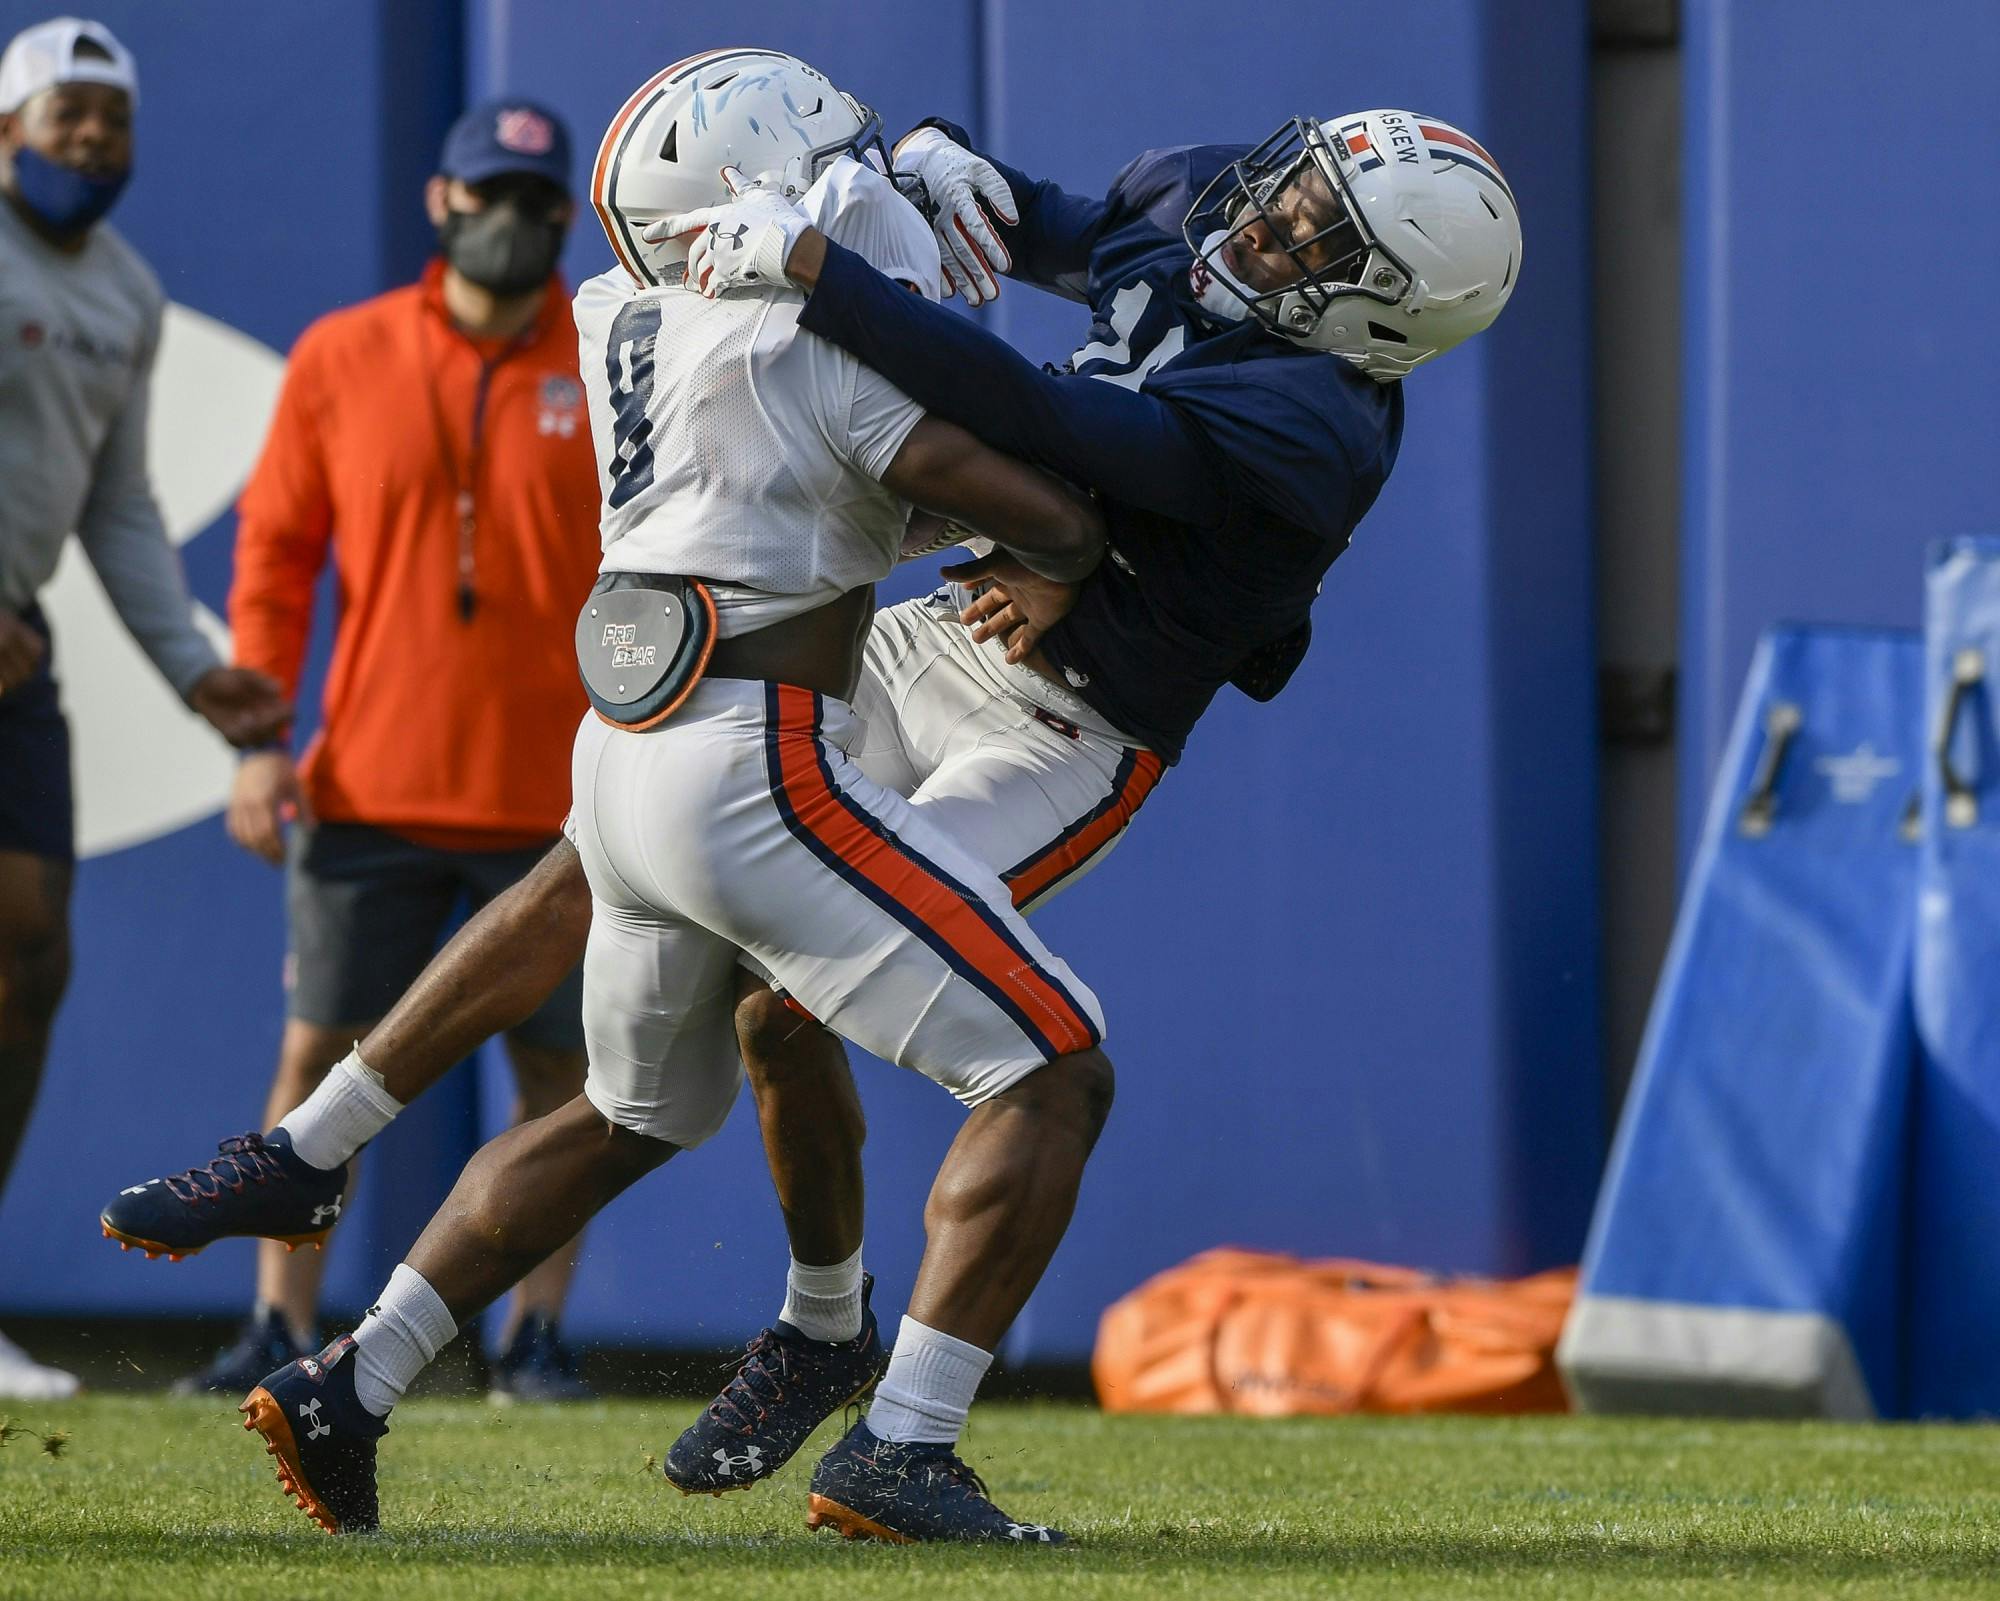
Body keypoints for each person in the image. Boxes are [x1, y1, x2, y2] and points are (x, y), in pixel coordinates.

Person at [107, 90, 1520, 1538]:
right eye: (1291, 191)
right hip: (921, 639)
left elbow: (1045, 423)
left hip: (1063, 723)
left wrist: (838, 264)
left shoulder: (1310, 423)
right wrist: (953, 163)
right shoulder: (1184, 207)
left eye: (1312, 239)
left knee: (758, 993)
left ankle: (794, 1336)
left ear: (1383, 323)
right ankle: (828, 1380)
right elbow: (1061, 244)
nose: (1266, 220)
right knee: (819, 1015)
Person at [220, 47, 1118, 1544]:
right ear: (754, 201)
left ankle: (349, 1370)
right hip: (752, 754)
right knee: (1052, 1066)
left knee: (631, 1102)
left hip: (618, 758)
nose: (868, 185)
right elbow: (1045, 494)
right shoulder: (794, 348)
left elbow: (822, 464)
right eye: (839, 167)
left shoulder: (614, 313)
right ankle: (901, 1438)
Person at [101, 97, 606, 1403]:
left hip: (560, 796)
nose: (512, 217)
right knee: (324, 1060)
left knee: (567, 1075)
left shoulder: (611, 359)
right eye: (487, 190)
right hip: (371, 778)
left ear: (569, 212)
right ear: (439, 200)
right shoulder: (345, 353)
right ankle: (277, 1325)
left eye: (538, 197)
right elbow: (273, 555)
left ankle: (531, 1339)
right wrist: (260, 739)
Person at [0, 15, 289, 1400]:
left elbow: (117, 509)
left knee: (31, 953)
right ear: (10, 129)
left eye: (113, 119)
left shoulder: (123, 287)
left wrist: (193, 667)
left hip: (17, 643)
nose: (94, 140)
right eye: (68, 116)